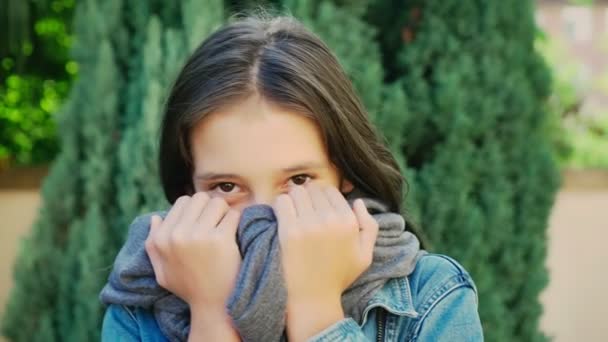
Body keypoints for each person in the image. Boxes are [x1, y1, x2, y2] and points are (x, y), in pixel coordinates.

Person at [100, 12, 483, 342]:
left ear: (343, 171)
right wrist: (212, 316)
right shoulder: (142, 306)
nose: (264, 216)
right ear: (189, 189)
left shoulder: (434, 293)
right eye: (227, 187)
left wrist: (317, 309)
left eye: (298, 180)